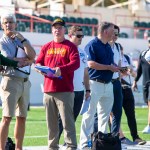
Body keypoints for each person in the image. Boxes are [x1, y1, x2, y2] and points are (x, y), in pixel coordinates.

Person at [35, 18, 80, 150]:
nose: (57, 30)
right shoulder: (46, 46)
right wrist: (40, 69)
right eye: (55, 27)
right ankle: (52, 146)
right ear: (52, 30)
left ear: (64, 30)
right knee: (51, 123)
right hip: (48, 90)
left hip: (65, 91)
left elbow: (75, 63)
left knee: (67, 122)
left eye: (60, 27)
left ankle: (71, 146)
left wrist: (61, 70)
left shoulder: (70, 46)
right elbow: (38, 62)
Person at [79, 22, 120, 150]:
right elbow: (90, 63)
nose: (115, 34)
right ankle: (84, 143)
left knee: (105, 115)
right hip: (94, 83)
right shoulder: (92, 45)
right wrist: (109, 67)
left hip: (108, 84)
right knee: (89, 114)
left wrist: (118, 68)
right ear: (105, 32)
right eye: (113, 31)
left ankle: (102, 142)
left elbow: (109, 63)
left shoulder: (108, 46)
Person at [0, 13, 36, 150]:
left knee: (22, 117)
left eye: (11, 22)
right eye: (5, 22)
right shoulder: (2, 41)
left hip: (25, 81)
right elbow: (7, 58)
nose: (8, 25)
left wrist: (23, 40)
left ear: (16, 24)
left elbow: (32, 55)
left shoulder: (20, 39)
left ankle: (19, 148)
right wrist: (25, 61)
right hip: (11, 81)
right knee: (7, 117)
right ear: (2, 25)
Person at [58, 25, 90, 141]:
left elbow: (85, 74)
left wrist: (87, 90)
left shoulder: (82, 53)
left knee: (72, 120)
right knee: (61, 119)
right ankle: (54, 145)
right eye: (78, 36)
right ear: (70, 36)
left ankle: (68, 143)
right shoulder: (64, 50)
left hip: (79, 91)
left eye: (82, 36)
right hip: (66, 90)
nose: (81, 38)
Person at [119, 44, 146, 145]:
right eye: (119, 51)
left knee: (131, 114)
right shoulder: (113, 58)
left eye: (121, 51)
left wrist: (131, 72)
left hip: (127, 89)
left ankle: (135, 137)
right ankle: (118, 138)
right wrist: (123, 73)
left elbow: (134, 74)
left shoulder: (127, 58)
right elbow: (114, 74)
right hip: (118, 88)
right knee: (116, 115)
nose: (121, 53)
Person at [132, 37, 150, 134]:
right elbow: (140, 69)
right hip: (145, 83)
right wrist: (135, 81)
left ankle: (149, 126)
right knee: (148, 104)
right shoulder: (143, 53)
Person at [108, 25, 123, 135]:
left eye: (117, 34)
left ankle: (114, 137)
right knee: (103, 112)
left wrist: (120, 78)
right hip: (106, 82)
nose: (115, 36)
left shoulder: (118, 47)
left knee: (118, 111)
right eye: (113, 33)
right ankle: (99, 138)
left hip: (116, 82)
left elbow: (119, 65)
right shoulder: (104, 46)